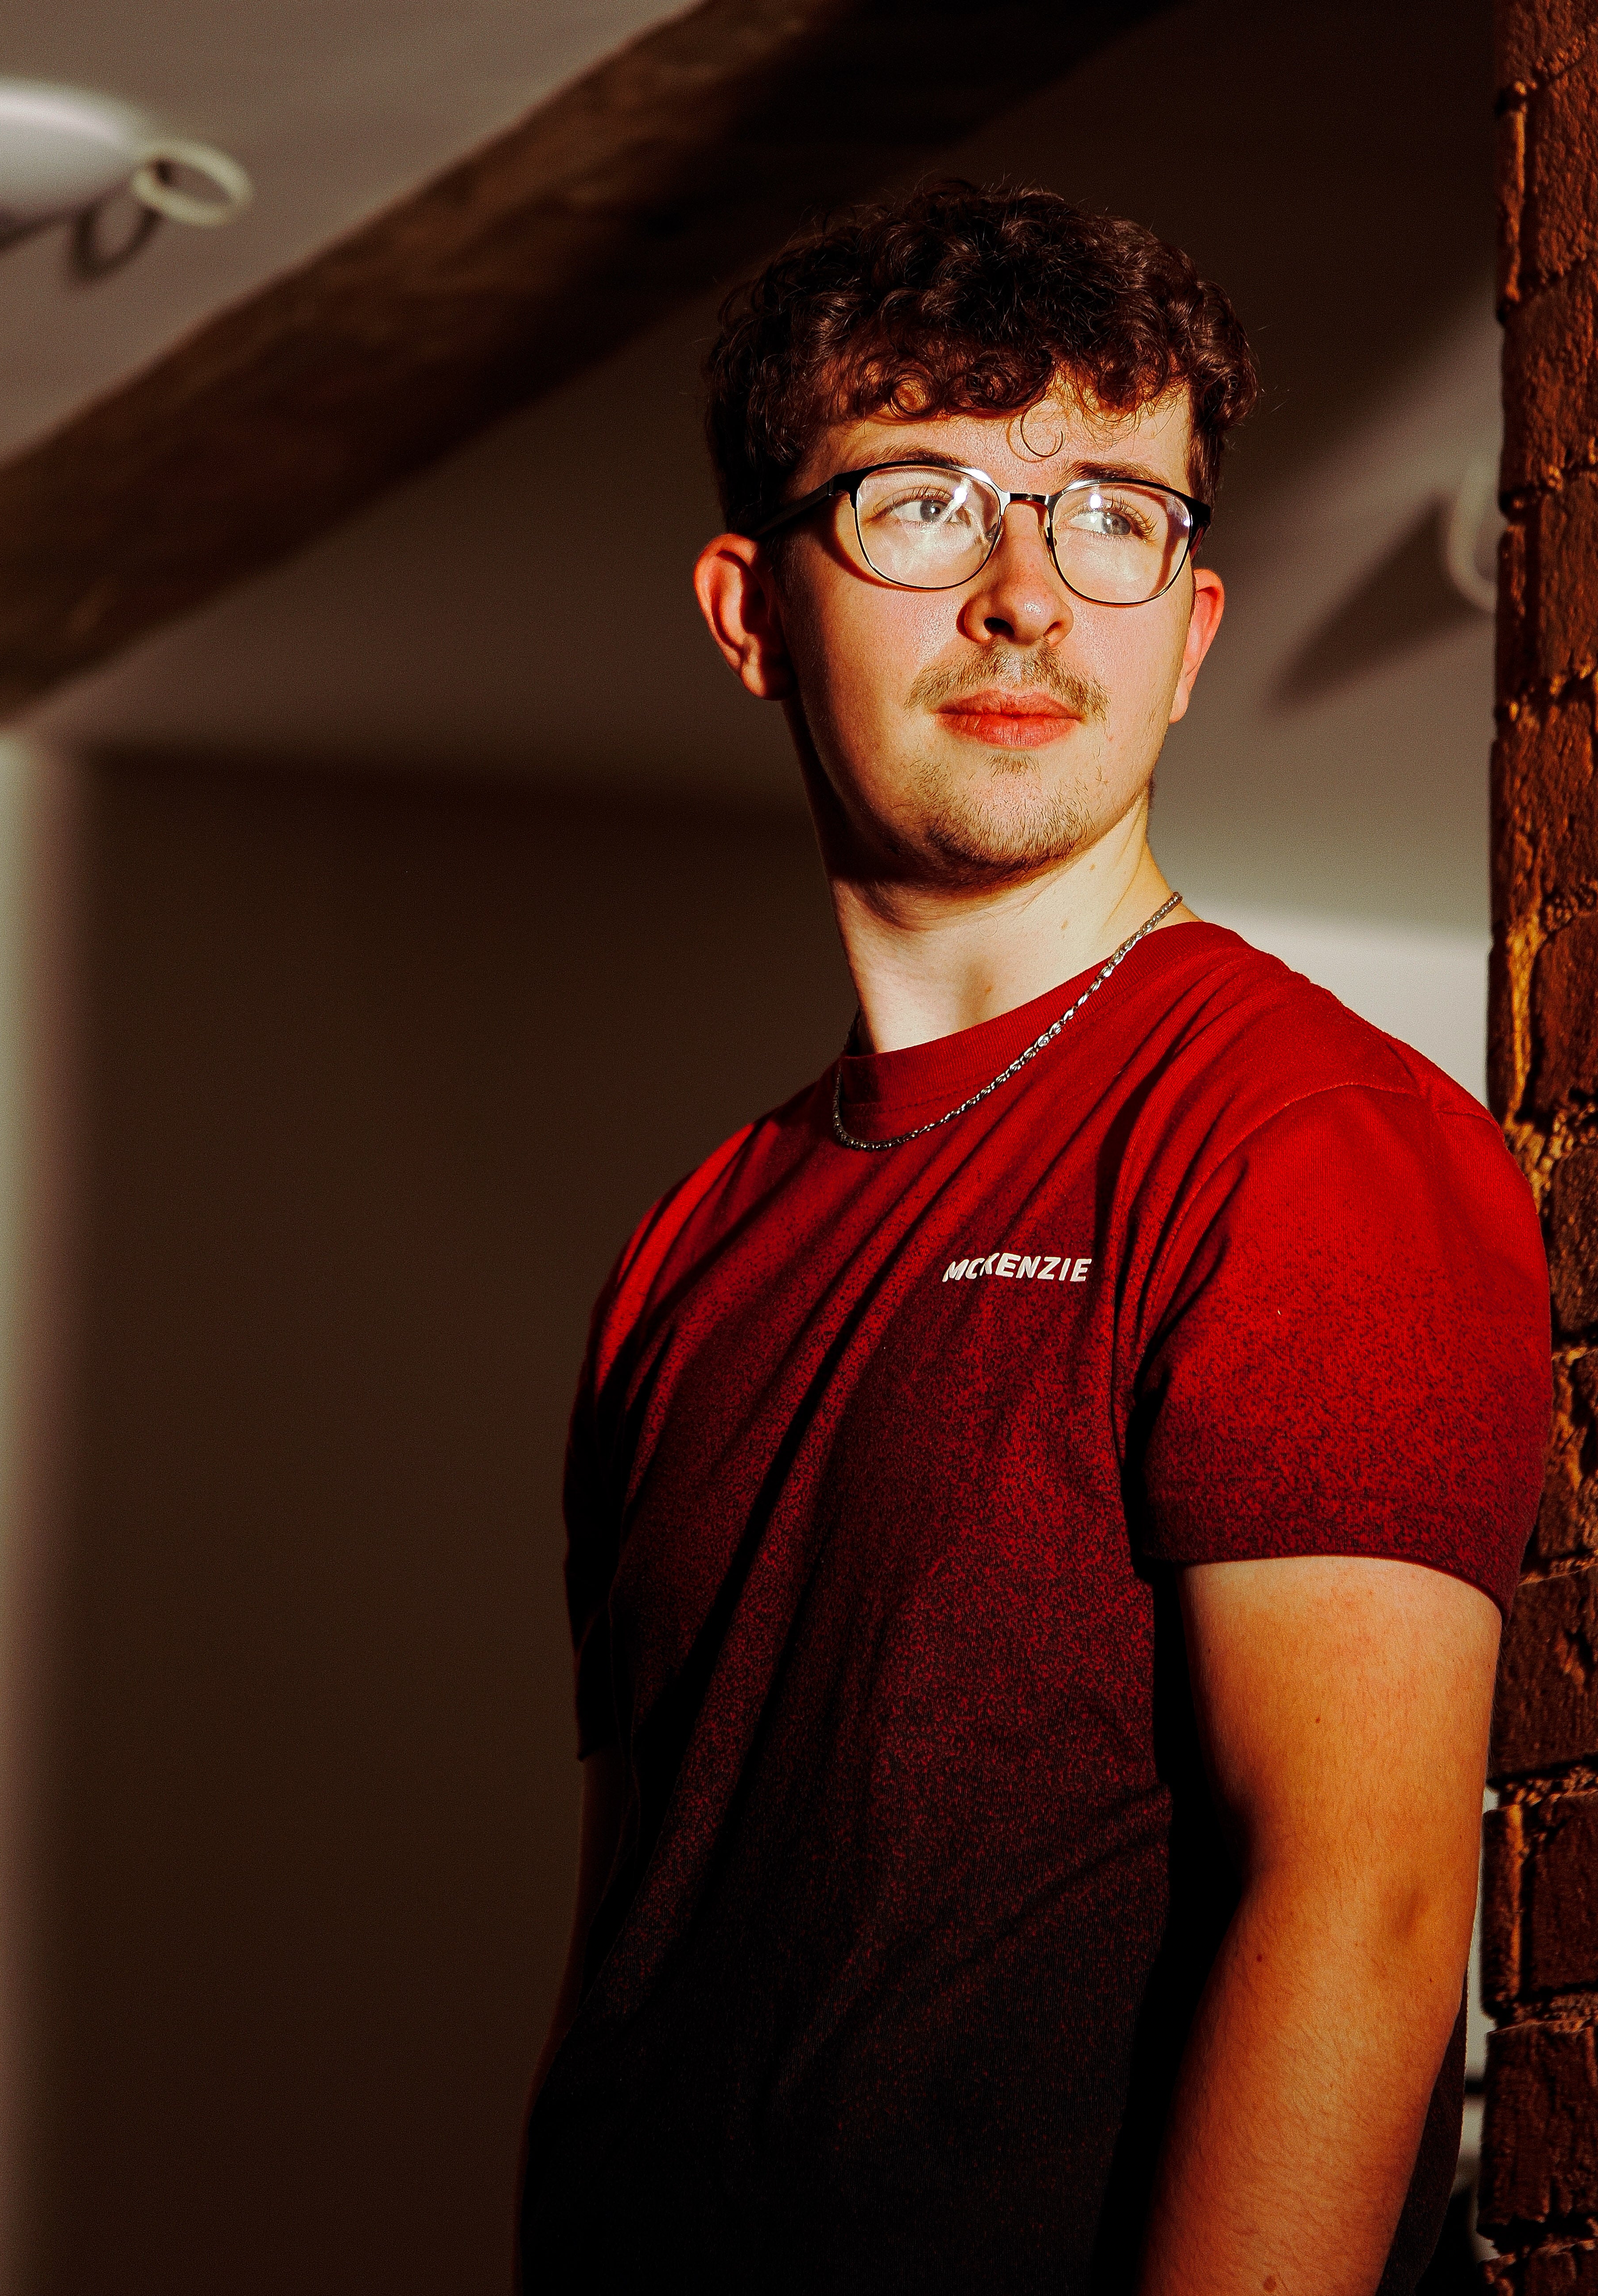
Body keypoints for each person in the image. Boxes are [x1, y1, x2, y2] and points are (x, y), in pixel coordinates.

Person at [516, 182, 1551, 2295]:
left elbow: (1361, 1911)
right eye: (921, 503)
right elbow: (636, 1947)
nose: (1025, 597)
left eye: (1109, 514)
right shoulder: (695, 1244)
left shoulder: (1302, 1140)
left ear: (1192, 630)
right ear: (749, 612)